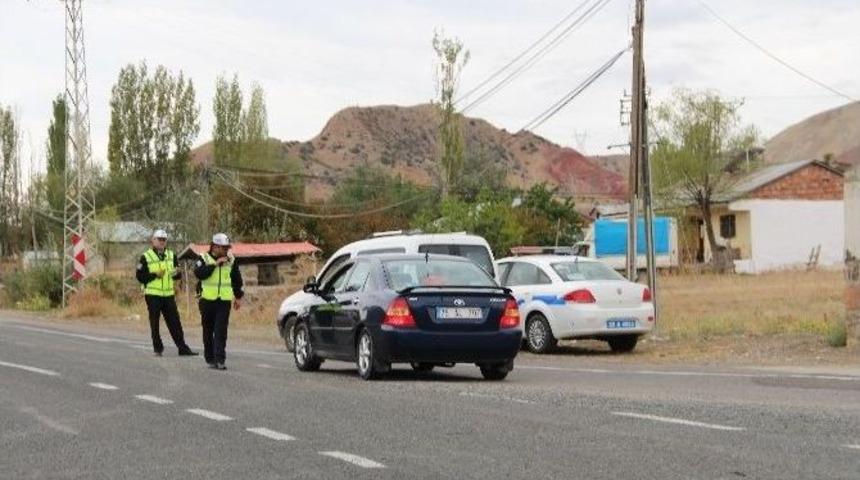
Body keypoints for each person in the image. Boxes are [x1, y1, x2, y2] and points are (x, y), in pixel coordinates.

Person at [135, 229, 197, 357]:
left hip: (168, 295)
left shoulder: (171, 255)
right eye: (159, 239)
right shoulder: (145, 257)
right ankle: (158, 348)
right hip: (153, 295)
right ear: (153, 241)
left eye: (164, 240)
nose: (162, 242)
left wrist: (178, 273)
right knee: (155, 322)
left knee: (175, 321)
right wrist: (154, 275)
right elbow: (140, 276)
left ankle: (182, 348)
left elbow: (175, 275)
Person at [194, 233, 243, 370]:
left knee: (221, 330)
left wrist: (238, 296)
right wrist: (215, 265)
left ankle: (220, 359)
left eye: (227, 247)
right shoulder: (203, 258)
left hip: (224, 300)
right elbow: (199, 273)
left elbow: (236, 279)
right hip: (207, 300)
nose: (227, 250)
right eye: (224, 248)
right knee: (208, 330)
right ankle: (210, 358)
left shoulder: (231, 259)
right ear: (215, 247)